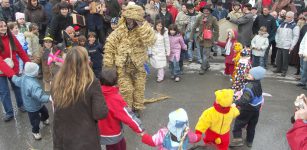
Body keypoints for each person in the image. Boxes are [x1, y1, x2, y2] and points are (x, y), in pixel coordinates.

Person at [52, 46, 108, 150]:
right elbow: (100, 113)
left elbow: (55, 103)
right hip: (85, 139)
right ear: (85, 61)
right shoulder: (91, 82)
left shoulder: (57, 79)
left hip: (62, 137)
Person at [103, 3, 155, 115]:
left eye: (133, 18)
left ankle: (137, 107)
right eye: (128, 18)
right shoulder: (120, 30)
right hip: (123, 65)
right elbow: (110, 44)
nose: (130, 21)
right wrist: (109, 64)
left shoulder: (143, 29)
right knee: (126, 89)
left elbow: (151, 40)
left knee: (139, 88)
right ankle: (128, 109)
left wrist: (142, 24)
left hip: (138, 65)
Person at [98, 68, 144, 150]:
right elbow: (128, 116)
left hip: (99, 131)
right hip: (113, 133)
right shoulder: (115, 99)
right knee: (119, 146)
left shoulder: (96, 93)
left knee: (120, 144)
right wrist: (140, 129)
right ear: (116, 81)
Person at [0, 19, 30, 122]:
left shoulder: (11, 37)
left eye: (4, 25)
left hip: (13, 66)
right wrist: (12, 75)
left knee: (17, 87)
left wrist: (28, 63)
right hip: (1, 71)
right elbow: (0, 62)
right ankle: (9, 112)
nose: (3, 28)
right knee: (4, 92)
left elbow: (21, 51)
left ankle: (21, 104)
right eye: (1, 26)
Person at [12, 62, 50, 140]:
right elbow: (40, 96)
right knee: (35, 121)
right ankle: (35, 131)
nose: (38, 71)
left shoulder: (23, 77)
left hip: (36, 104)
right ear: (33, 73)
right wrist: (49, 98)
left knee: (45, 113)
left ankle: (44, 119)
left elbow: (16, 80)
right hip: (32, 107)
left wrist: (12, 76)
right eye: (37, 70)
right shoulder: (33, 85)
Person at [230, 66, 266, 147]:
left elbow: (245, 100)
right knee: (252, 126)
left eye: (250, 74)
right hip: (256, 109)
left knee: (238, 123)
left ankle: (237, 141)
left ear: (255, 77)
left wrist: (235, 103)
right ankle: (249, 141)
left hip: (247, 109)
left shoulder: (249, 87)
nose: (248, 74)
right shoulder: (258, 83)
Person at [190, 5, 219, 75]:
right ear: (202, 11)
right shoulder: (199, 17)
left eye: (207, 10)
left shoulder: (213, 18)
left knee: (206, 54)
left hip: (209, 39)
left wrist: (215, 39)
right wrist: (191, 37)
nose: (206, 11)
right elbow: (194, 27)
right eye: (204, 10)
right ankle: (207, 65)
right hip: (200, 39)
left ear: (209, 11)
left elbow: (217, 30)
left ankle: (202, 68)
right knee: (202, 55)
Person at [274, 11, 300, 77]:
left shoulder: (295, 26)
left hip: (287, 45)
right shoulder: (282, 24)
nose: (287, 18)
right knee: (279, 58)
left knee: (285, 59)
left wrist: (292, 46)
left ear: (292, 17)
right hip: (280, 44)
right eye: (286, 17)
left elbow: (295, 37)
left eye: (289, 17)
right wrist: (277, 40)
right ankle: (278, 69)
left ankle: (284, 71)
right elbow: (277, 33)